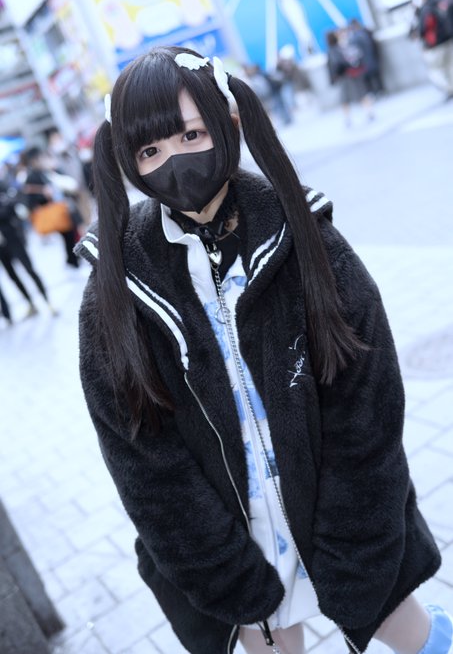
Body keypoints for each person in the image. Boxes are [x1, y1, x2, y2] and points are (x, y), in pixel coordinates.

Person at [77, 46, 452, 654]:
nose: (174, 162)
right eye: (149, 151)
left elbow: (368, 399)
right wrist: (221, 570)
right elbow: (140, 458)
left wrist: (355, 538)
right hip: (232, 539)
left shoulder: (302, 231)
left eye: (191, 134)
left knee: (412, 634)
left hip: (339, 512)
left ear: (227, 124)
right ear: (127, 160)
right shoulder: (118, 285)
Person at [0, 181, 56, 317]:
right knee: (12, 276)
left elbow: (11, 206)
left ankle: (47, 301)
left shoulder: (3, 186)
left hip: (13, 238)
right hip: (2, 246)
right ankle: (30, 303)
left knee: (29, 270)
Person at [22, 147, 79, 269]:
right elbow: (30, 199)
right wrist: (44, 195)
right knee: (68, 234)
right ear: (34, 160)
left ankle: (72, 260)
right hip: (52, 211)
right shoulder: (31, 176)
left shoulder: (44, 172)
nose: (42, 160)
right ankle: (72, 260)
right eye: (40, 158)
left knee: (69, 235)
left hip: (59, 208)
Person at [326, 29, 374, 127]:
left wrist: (334, 77)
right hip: (352, 73)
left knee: (346, 98)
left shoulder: (334, 50)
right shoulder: (341, 47)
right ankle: (368, 112)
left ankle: (349, 118)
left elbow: (334, 66)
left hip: (345, 76)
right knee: (360, 93)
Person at [411, 0, 453, 100]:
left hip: (435, 45)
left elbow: (423, 29)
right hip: (448, 39)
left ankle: (448, 89)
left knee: (436, 70)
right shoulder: (441, 3)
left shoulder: (426, 9)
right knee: (449, 66)